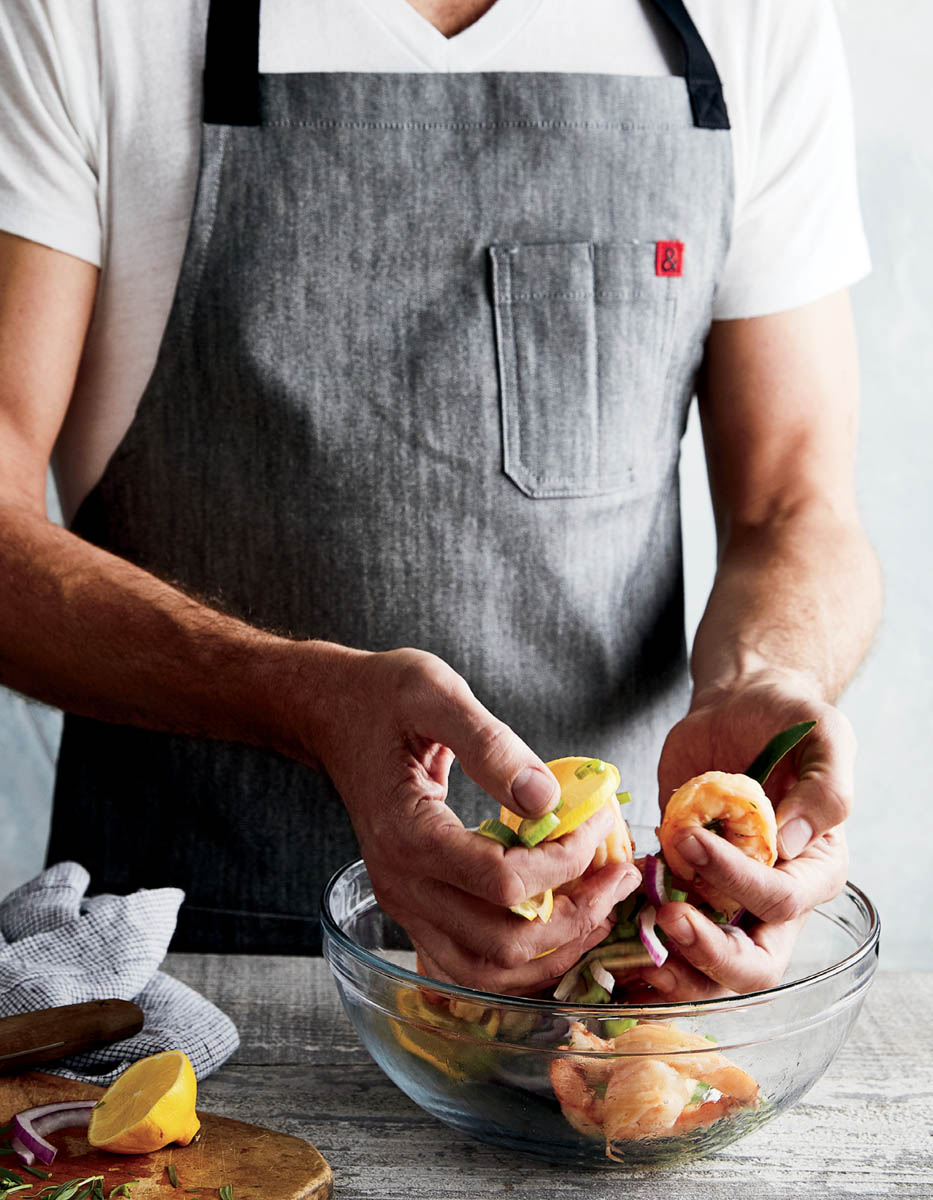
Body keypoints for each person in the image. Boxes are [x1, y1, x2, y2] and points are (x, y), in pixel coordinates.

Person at [0, 0, 881, 1000]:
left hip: (614, 987)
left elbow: (796, 506)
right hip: (184, 985)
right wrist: (303, 697)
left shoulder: (754, 19)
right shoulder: (83, 16)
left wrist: (762, 687)